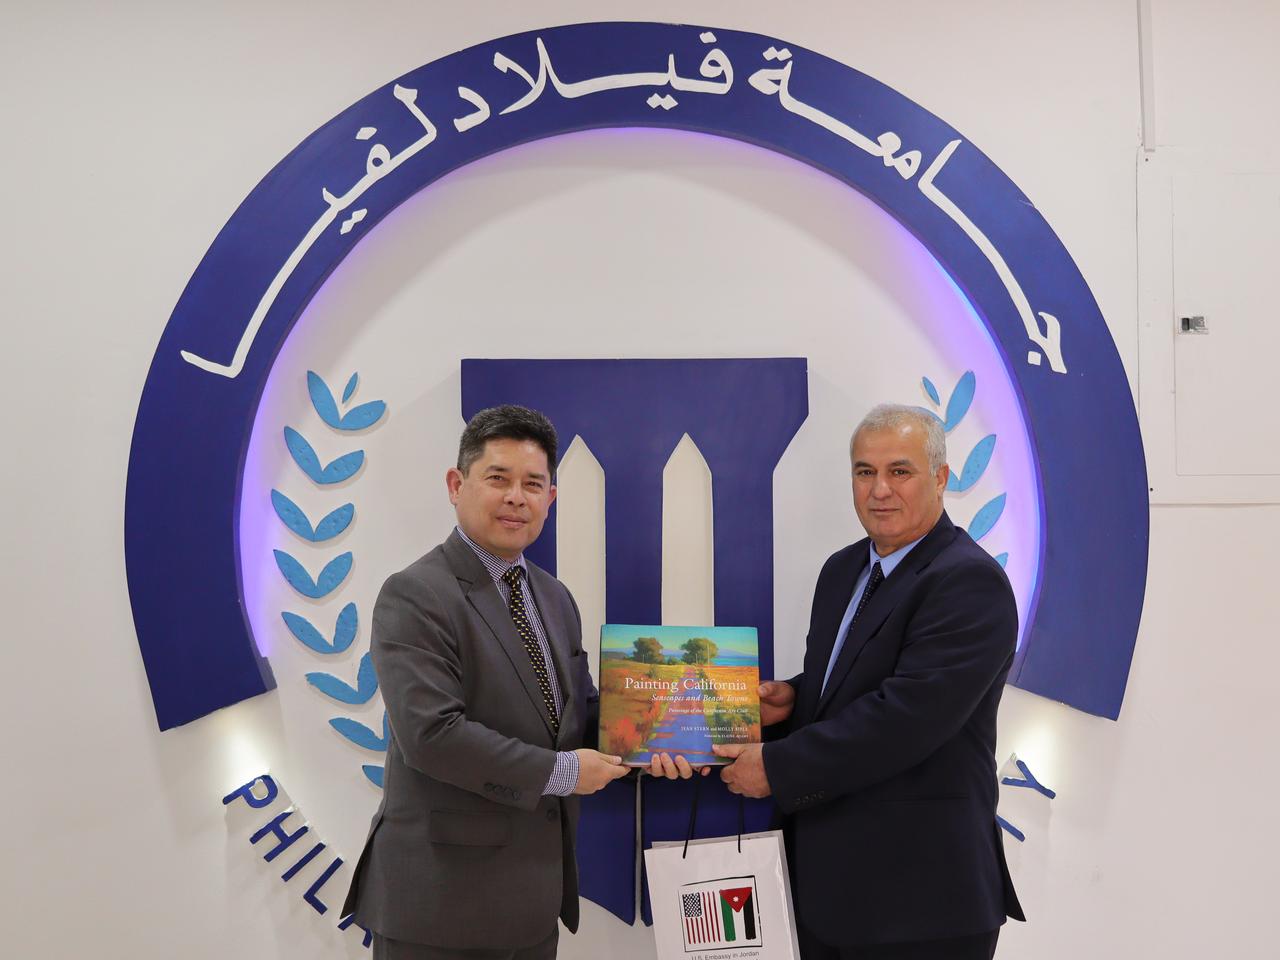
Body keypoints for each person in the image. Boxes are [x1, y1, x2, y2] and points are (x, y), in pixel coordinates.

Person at [343, 404, 697, 960]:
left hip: (532, 901)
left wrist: (665, 736)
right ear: (456, 485)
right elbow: (431, 736)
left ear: (550, 498)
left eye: (533, 484)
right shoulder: (415, 593)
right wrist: (565, 772)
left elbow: (579, 713)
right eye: (498, 478)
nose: (517, 498)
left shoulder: (554, 597)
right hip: (442, 905)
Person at [714, 403, 1024, 960]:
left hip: (922, 903)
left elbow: (906, 718)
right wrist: (796, 698)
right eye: (865, 472)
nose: (879, 490)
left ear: (940, 478)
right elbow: (860, 676)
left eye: (899, 471)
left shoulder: (968, 580)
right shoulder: (843, 569)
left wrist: (778, 767)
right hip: (825, 893)